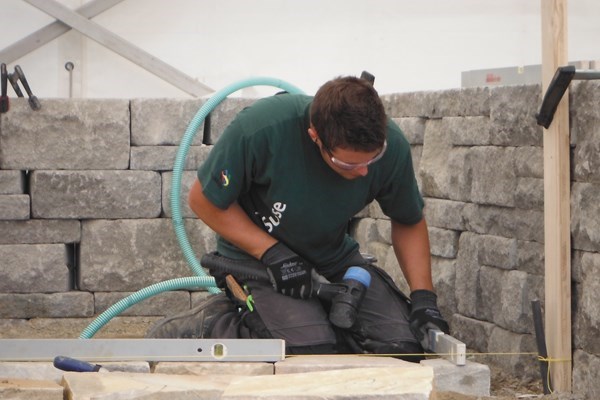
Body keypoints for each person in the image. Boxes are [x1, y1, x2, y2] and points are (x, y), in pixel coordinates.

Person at [146, 75, 449, 360]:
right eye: (348, 164)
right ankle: (215, 323)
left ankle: (318, 325)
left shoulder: (390, 144)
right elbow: (202, 200)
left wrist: (424, 299)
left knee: (404, 348)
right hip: (257, 260)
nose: (364, 171)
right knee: (307, 352)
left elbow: (408, 220)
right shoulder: (262, 128)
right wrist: (272, 253)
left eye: (374, 157)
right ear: (315, 137)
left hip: (330, 256)